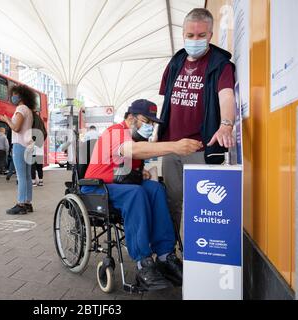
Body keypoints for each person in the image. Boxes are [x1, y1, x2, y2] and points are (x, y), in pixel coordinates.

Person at [82, 99, 202, 291]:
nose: (151, 127)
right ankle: (143, 263)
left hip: (119, 186)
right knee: (136, 193)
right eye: (147, 121)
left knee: (156, 189)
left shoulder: (137, 139)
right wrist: (174, 146)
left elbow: (127, 167)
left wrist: (141, 173)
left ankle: (165, 255)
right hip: (96, 189)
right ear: (131, 118)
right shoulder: (116, 132)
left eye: (153, 123)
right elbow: (132, 151)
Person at [158, 8, 236, 230]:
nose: (195, 40)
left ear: (210, 35)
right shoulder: (176, 62)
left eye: (201, 35)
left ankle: (198, 257)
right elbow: (167, 104)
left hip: (200, 148)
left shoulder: (220, 64)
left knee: (200, 206)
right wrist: (159, 138)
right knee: (171, 203)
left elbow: (226, 95)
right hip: (171, 147)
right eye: (190, 35)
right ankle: (168, 253)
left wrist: (226, 124)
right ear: (183, 34)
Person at [0, 85, 36, 215]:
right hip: (29, 145)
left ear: (20, 96)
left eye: (14, 94)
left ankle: (20, 204)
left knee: (21, 177)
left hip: (20, 145)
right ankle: (28, 203)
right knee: (27, 176)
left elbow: (16, 128)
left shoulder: (20, 108)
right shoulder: (29, 111)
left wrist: (7, 120)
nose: (12, 97)